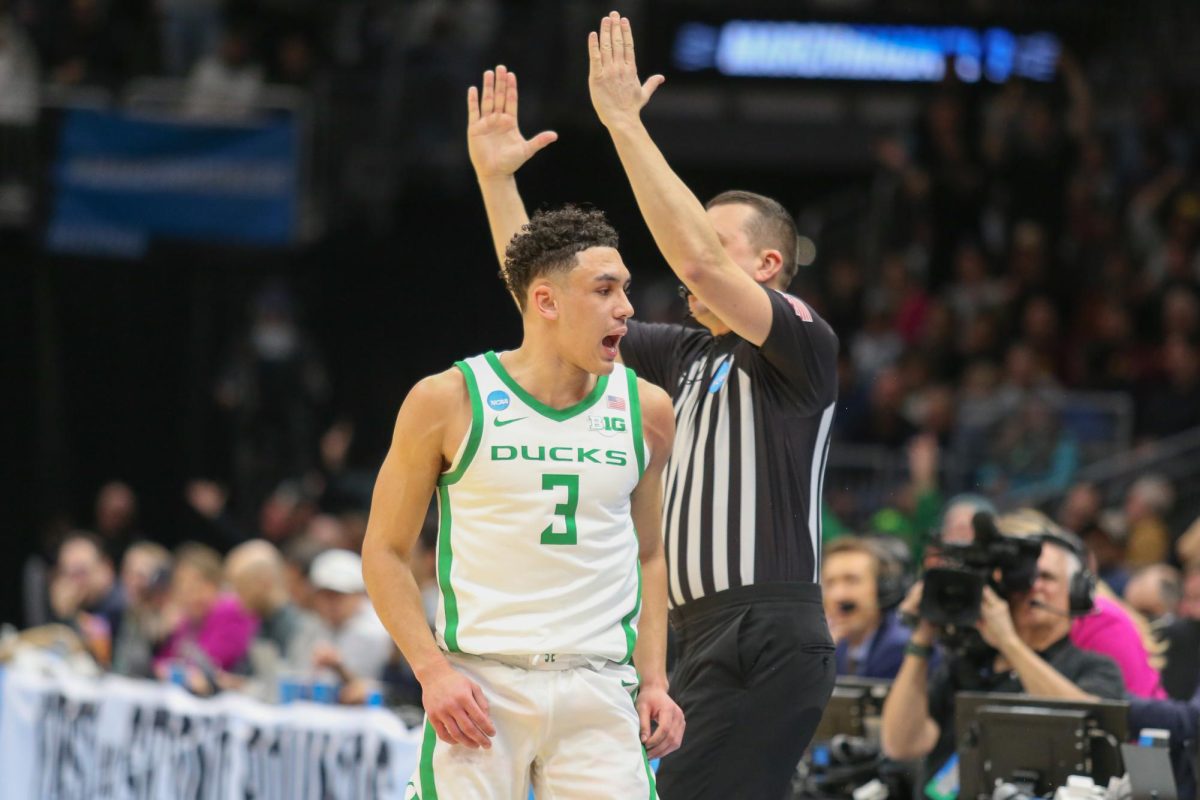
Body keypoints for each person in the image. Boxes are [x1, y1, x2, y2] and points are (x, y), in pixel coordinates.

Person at [465, 16, 838, 797]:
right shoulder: (686, 353)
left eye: (714, 238)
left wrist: (625, 124)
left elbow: (695, 259)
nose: (688, 251)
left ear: (769, 265)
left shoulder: (802, 342)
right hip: (692, 635)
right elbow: (551, 308)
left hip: (766, 631)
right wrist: (498, 181)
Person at [361, 204, 683, 799]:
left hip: (598, 685)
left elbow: (650, 555)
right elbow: (382, 552)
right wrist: (432, 673)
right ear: (546, 301)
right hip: (481, 683)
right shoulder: (449, 398)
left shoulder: (648, 410)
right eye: (605, 289)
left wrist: (656, 680)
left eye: (626, 289)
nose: (627, 308)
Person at [880, 532, 1125, 778]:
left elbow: (1085, 727)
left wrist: (1009, 643)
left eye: (1046, 577)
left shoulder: (1094, 666)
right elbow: (901, 746)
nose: (1032, 586)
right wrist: (922, 637)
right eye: (1023, 577)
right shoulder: (965, 663)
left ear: (1077, 591)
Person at [823, 538, 910, 679]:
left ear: (883, 589)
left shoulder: (900, 648)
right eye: (830, 583)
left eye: (851, 580)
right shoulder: (837, 646)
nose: (838, 595)